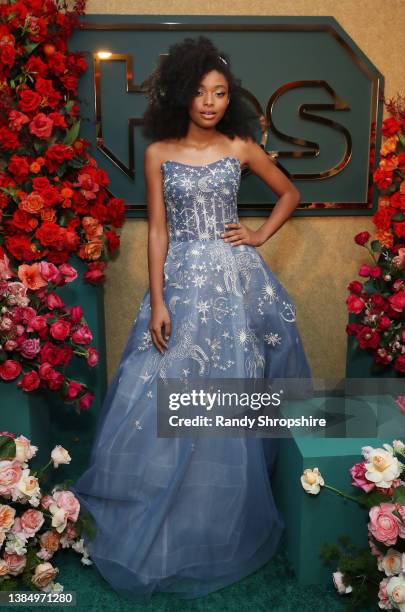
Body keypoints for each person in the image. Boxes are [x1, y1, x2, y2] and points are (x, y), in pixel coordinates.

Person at [70, 35, 312, 601]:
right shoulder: (158, 153)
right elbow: (157, 230)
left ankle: (214, 519)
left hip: (232, 284)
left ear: (232, 98)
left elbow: (290, 193)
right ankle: (159, 512)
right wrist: (157, 300)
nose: (210, 102)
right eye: (201, 92)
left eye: (220, 92)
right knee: (159, 390)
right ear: (183, 93)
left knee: (230, 395)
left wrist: (255, 236)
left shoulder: (242, 147)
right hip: (180, 281)